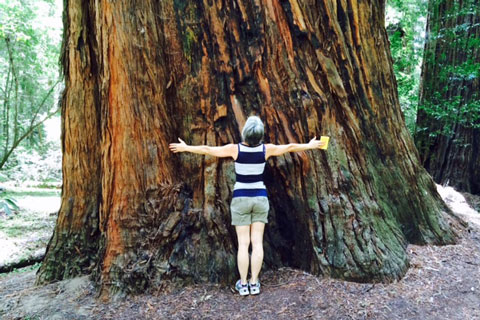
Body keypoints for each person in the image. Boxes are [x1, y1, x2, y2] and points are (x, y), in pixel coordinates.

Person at [169, 116, 326, 296]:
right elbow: (290, 147)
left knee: (244, 244)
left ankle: (243, 284)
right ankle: (254, 283)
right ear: (260, 135)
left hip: (241, 198)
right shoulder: (266, 149)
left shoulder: (235, 150)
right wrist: (310, 145)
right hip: (260, 198)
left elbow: (208, 149)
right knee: (257, 242)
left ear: (245, 133)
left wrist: (185, 147)